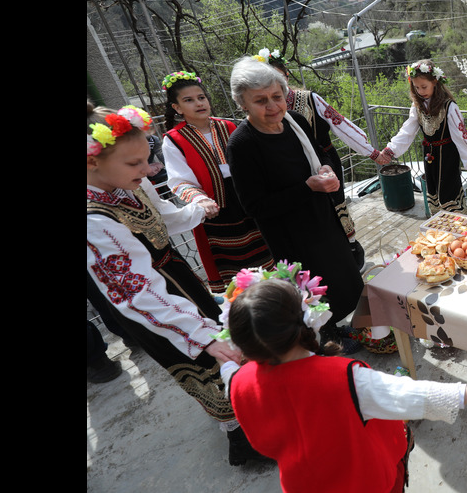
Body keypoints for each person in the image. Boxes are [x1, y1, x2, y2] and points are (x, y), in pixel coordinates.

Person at [87, 105, 268, 465]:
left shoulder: (127, 184)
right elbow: (136, 292)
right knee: (205, 363)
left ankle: (251, 412)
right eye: (135, 163)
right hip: (153, 306)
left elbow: (162, 217)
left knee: (224, 348)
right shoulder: (94, 221)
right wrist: (200, 334)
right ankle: (242, 441)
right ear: (93, 163)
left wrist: (198, 209)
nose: (148, 169)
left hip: (176, 279)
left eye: (147, 158)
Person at [220, 275, 467, 493]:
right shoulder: (343, 377)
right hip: (366, 482)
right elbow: (409, 394)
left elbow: (230, 374)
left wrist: (228, 362)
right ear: (302, 318)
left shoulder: (239, 382)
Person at [225, 56, 365, 354]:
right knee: (312, 291)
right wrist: (306, 187)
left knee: (342, 277)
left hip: (323, 221)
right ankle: (326, 337)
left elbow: (322, 155)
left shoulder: (296, 122)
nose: (273, 106)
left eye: (277, 97)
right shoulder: (242, 145)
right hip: (291, 235)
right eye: (260, 100)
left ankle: (344, 325)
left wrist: (326, 170)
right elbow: (254, 206)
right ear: (242, 103)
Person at [256, 48, 390, 268]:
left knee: (336, 209)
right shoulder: (263, 112)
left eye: (277, 77)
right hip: (294, 174)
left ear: (286, 75)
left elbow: (342, 126)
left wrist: (371, 152)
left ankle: (353, 254)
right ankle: (324, 261)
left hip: (324, 163)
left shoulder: (309, 99)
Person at [160, 70, 275, 293]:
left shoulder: (229, 126)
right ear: (177, 108)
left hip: (248, 200)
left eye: (201, 97)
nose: (198, 103)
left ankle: (278, 295)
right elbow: (179, 181)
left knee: (267, 255)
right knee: (237, 271)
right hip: (216, 209)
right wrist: (201, 200)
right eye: (189, 100)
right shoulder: (174, 140)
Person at [377, 59, 467, 215]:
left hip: (447, 155)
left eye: (424, 86)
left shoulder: (449, 106)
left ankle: (457, 224)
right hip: (429, 155)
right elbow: (407, 130)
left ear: (435, 82)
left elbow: (461, 135)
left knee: (448, 190)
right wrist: (390, 150)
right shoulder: (418, 106)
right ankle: (439, 226)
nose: (421, 91)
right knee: (432, 189)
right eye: (417, 87)